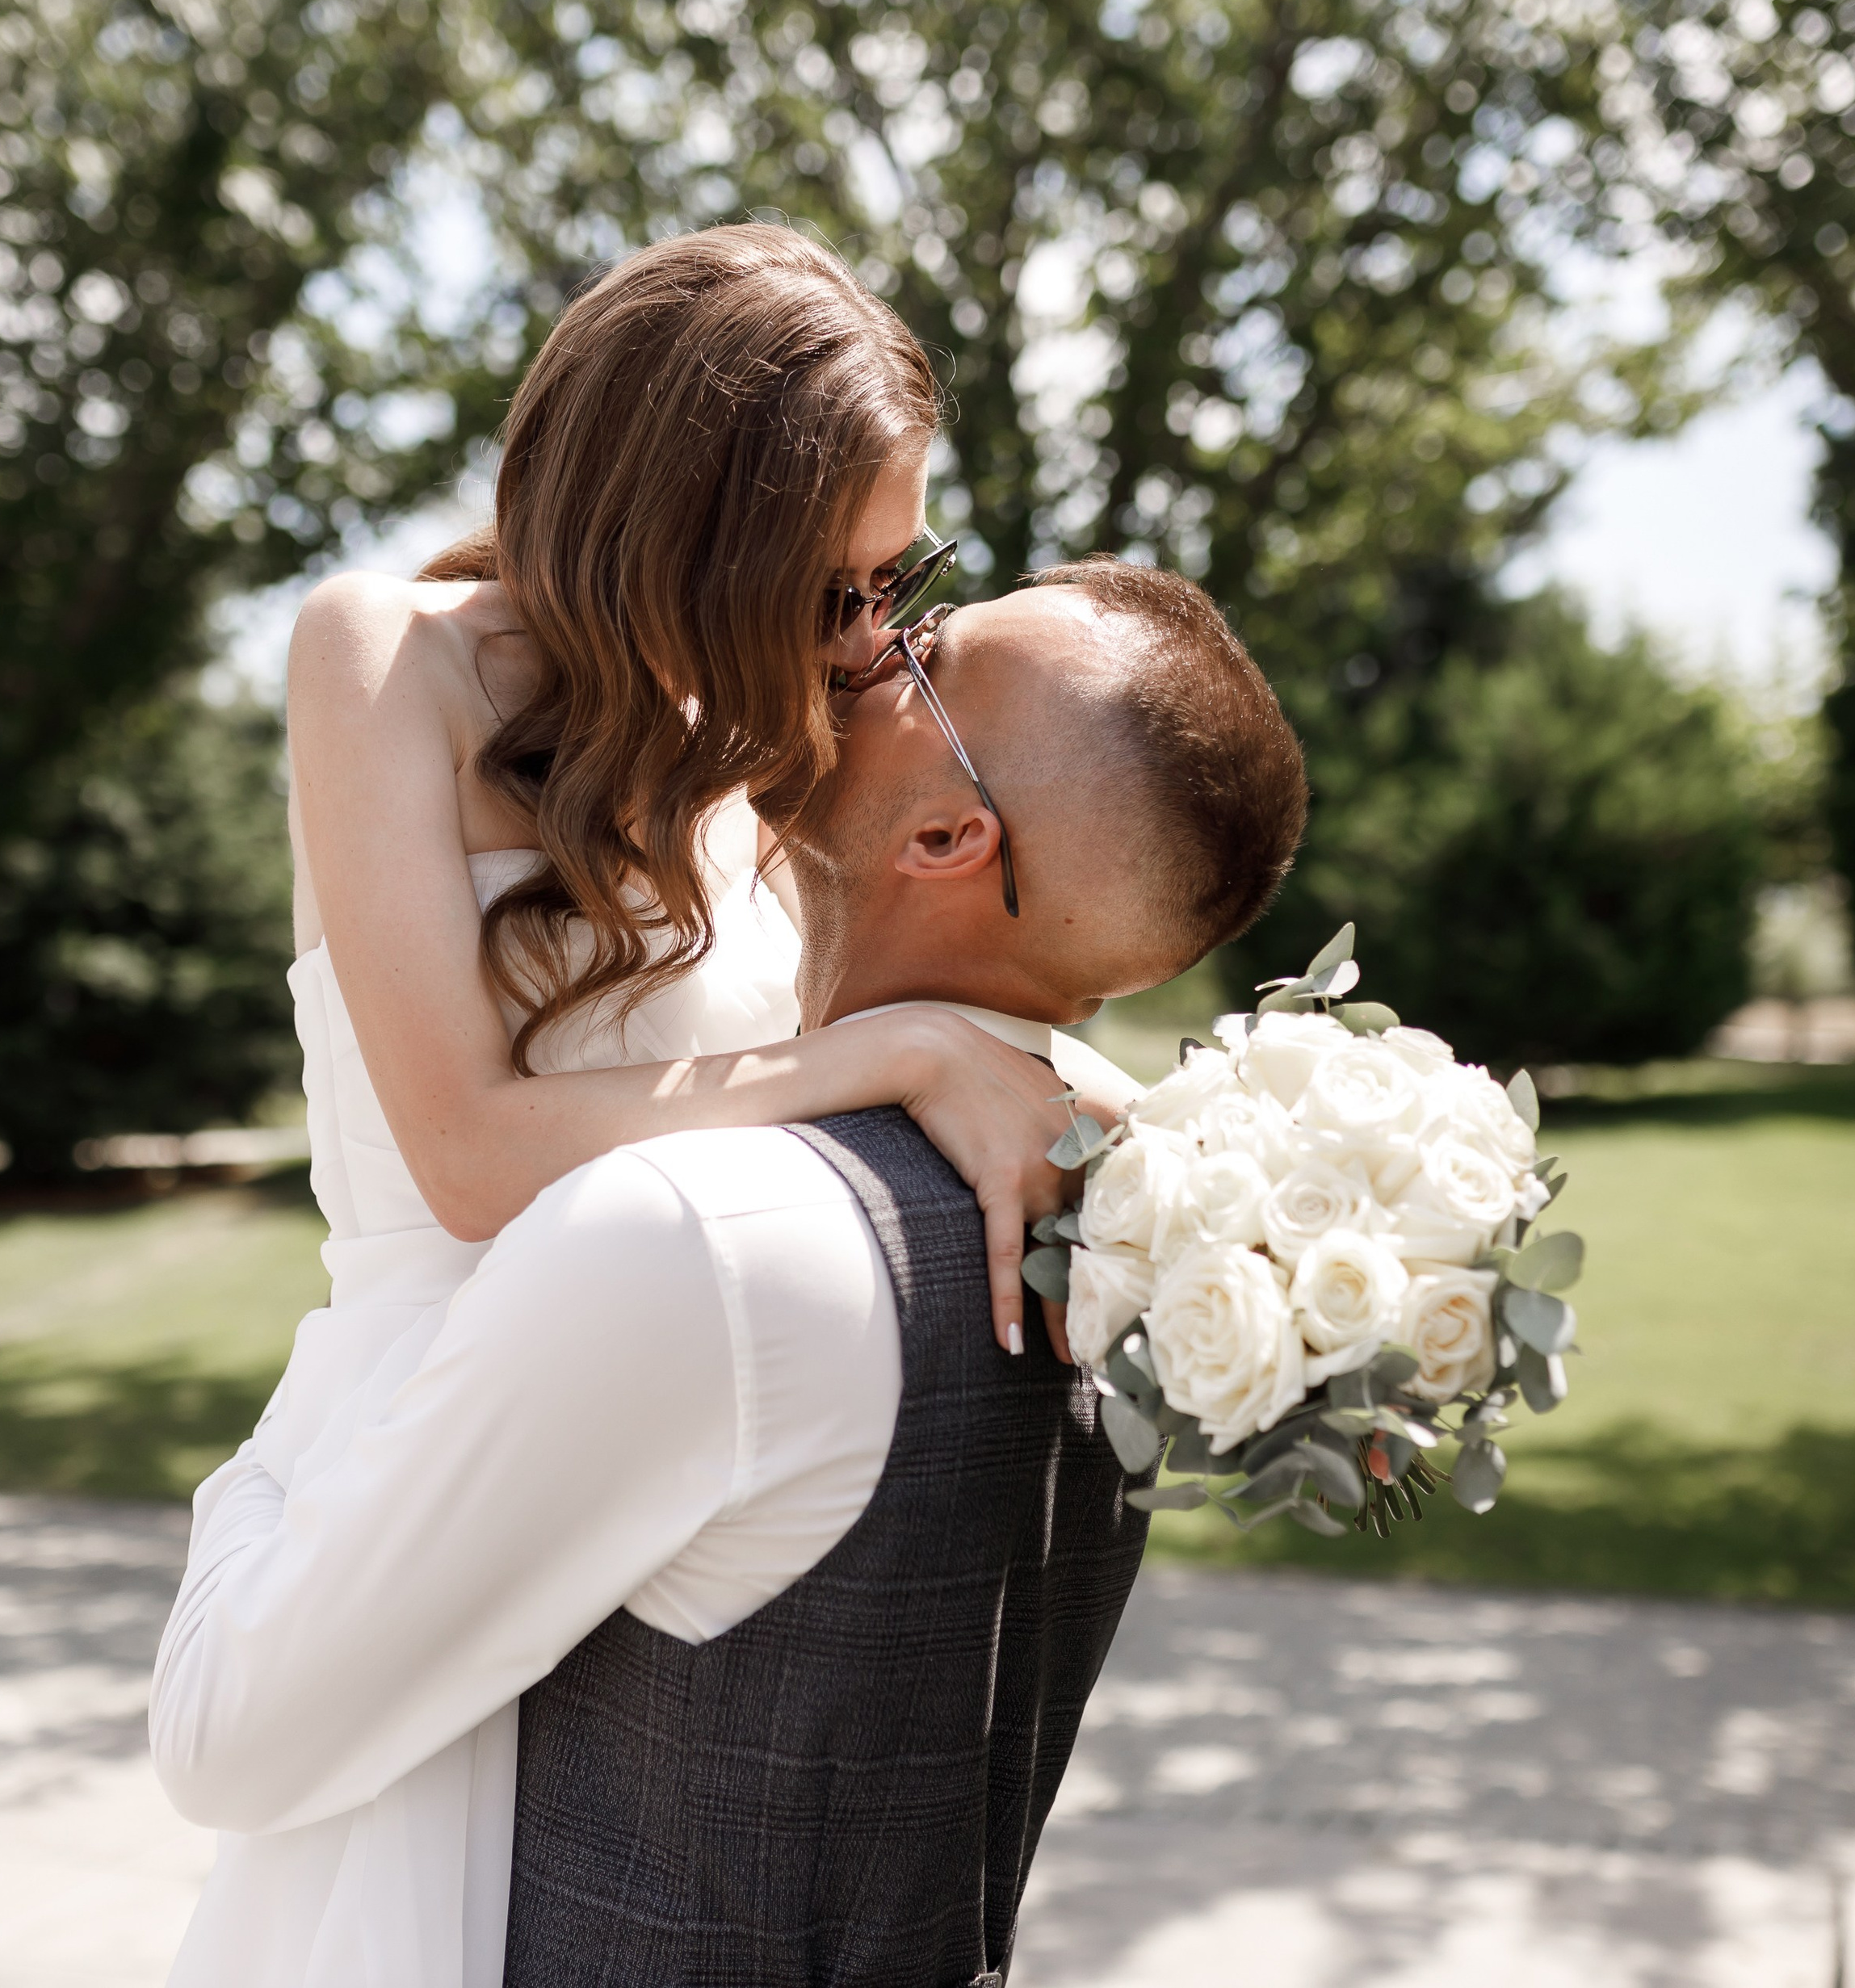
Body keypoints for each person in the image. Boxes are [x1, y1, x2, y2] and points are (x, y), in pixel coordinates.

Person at [194, 224, 1135, 1986]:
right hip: (416, 1461)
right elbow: (468, 1152)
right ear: (678, 539)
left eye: (894, 576)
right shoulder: (385, 661)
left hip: (651, 1489)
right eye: (829, 588)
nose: (871, 639)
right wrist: (896, 1055)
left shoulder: (767, 737)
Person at [152, 558, 1310, 1986]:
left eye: (926, 651)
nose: (869, 645)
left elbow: (225, 1732)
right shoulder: (1132, 1241)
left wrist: (365, 1326)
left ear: (949, 835)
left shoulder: (689, 1234)